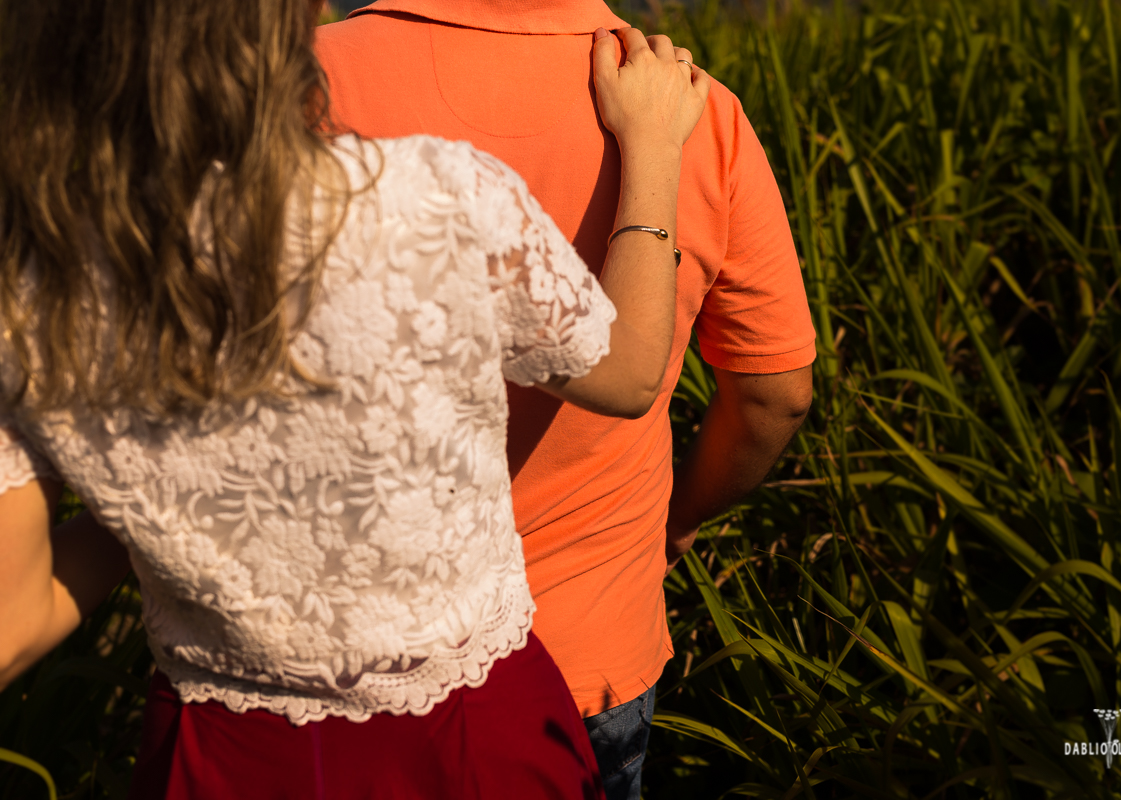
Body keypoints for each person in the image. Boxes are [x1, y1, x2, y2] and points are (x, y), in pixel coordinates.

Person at [0, 0, 711, 795]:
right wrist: (652, 146)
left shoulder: (37, 289)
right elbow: (629, 372)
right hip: (471, 740)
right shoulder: (437, 201)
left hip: (221, 756)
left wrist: (157, 502)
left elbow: (13, 623)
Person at [315, 2, 817, 796]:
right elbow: (775, 395)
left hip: (336, 652)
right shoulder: (692, 107)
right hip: (581, 658)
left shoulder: (293, 84)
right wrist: (678, 519)